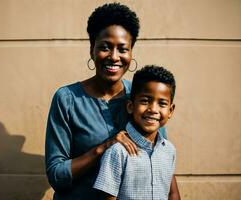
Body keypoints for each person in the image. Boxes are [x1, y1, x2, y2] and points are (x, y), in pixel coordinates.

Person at [45, 3, 180, 200]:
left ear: (131, 52)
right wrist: (104, 147)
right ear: (92, 49)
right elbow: (56, 174)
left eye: (123, 49)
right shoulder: (67, 99)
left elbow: (160, 157)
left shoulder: (144, 99)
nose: (114, 57)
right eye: (105, 47)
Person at [93, 65, 177, 200]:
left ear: (171, 111)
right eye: (145, 101)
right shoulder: (118, 152)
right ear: (131, 106)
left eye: (162, 103)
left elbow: (172, 193)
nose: (153, 109)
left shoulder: (169, 150)